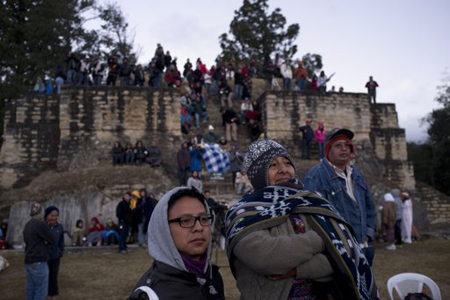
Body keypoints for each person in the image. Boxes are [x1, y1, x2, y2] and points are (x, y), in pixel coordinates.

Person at [226, 140, 378, 299]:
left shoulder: (313, 202)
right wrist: (320, 242)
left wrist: (298, 269)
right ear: (257, 174)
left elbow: (345, 257)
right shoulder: (243, 212)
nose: (283, 170)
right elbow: (266, 257)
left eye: (287, 163)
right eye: (273, 165)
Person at [128, 187, 225, 299]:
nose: (199, 228)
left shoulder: (213, 277)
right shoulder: (150, 295)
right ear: (164, 229)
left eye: (203, 219)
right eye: (185, 220)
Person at [303, 128, 377, 266]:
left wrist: (369, 234)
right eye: (338, 145)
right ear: (328, 149)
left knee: (363, 287)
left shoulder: (357, 174)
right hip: (339, 251)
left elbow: (370, 208)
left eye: (347, 145)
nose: (344, 149)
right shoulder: (315, 176)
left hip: (365, 248)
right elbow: (312, 217)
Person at [23, 202, 56, 300]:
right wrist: (44, 240)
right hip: (39, 261)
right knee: (41, 291)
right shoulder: (40, 224)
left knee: (31, 288)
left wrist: (43, 240)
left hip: (28, 261)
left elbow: (28, 241)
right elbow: (52, 240)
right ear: (40, 212)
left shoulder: (27, 224)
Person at [45, 206, 64, 300]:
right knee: (45, 276)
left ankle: (54, 294)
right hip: (44, 257)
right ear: (47, 215)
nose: (54, 217)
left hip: (55, 256)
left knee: (54, 276)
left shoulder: (59, 227)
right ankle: (46, 293)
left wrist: (60, 252)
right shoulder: (42, 226)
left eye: (56, 215)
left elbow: (61, 241)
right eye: (52, 215)